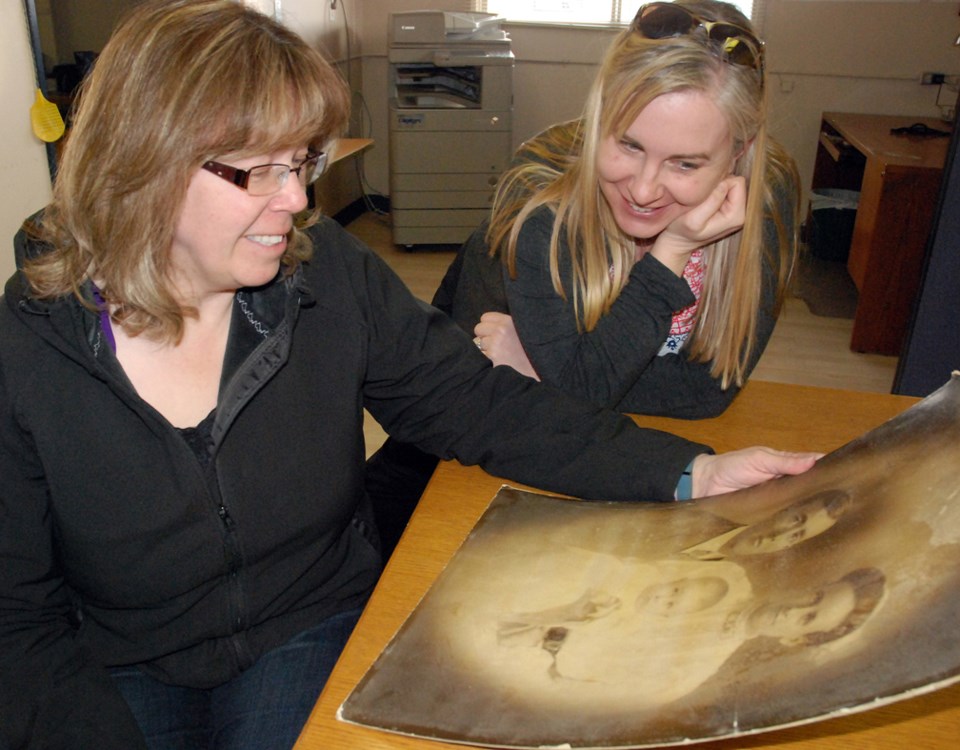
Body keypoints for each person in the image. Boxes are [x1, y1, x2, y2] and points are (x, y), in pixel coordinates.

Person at [0, 2, 817, 748]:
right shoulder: (29, 353)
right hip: (112, 660)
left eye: (303, 162)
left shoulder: (327, 277)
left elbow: (478, 405)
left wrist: (688, 472)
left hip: (303, 626)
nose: (297, 200)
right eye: (260, 171)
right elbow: (17, 621)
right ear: (144, 164)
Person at [367, 0, 801, 556]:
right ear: (599, 118)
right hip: (455, 456)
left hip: (606, 453)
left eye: (685, 164)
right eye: (628, 145)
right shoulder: (539, 204)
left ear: (738, 155)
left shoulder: (765, 197)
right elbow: (516, 406)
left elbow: (711, 390)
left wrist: (551, 372)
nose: (644, 190)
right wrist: (671, 253)